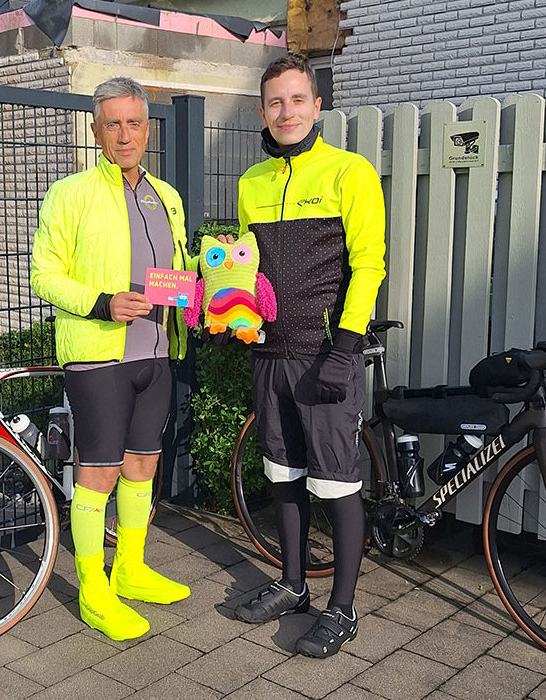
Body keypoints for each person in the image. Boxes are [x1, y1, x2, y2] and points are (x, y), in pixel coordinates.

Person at [231, 55, 386, 658]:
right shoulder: (251, 183)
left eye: (298, 100)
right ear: (262, 111)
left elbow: (368, 265)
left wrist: (345, 348)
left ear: (317, 106)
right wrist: (229, 315)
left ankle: (342, 608)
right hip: (269, 353)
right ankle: (293, 584)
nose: (287, 112)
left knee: (337, 483)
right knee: (283, 474)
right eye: (275, 102)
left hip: (325, 357)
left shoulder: (350, 171)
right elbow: (247, 270)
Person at [30, 77, 191, 642]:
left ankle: (131, 568)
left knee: (143, 464)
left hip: (157, 352)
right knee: (97, 474)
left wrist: (208, 296)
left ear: (148, 129)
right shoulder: (69, 193)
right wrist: (103, 303)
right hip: (99, 356)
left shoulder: (166, 196)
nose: (125, 134)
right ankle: (93, 587)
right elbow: (44, 275)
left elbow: (178, 272)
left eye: (135, 122)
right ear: (96, 131)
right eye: (113, 123)